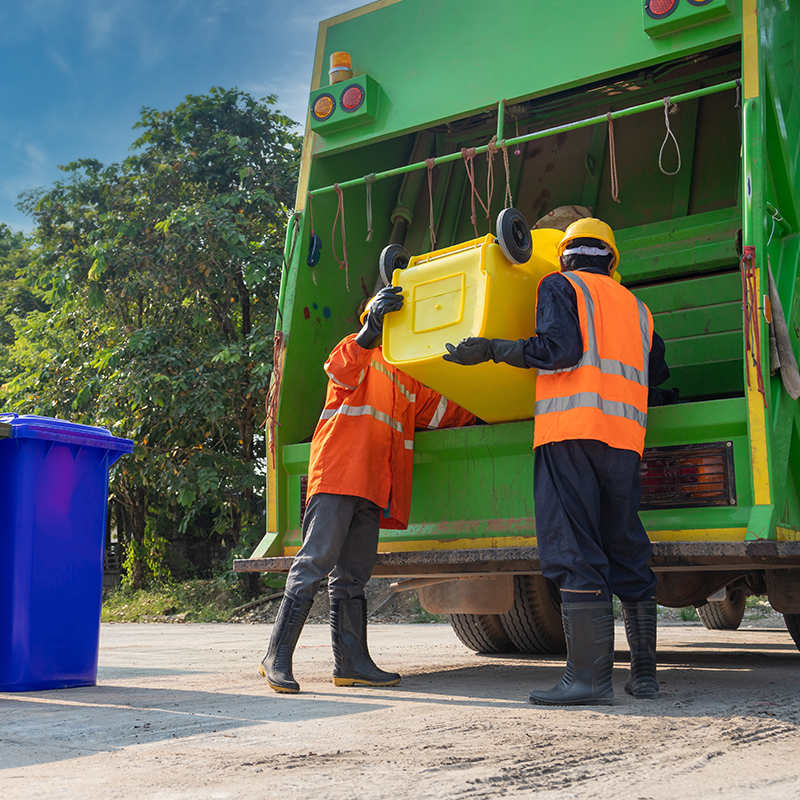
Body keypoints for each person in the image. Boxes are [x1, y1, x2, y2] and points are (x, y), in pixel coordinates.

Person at [443, 217, 669, 706]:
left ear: (566, 255)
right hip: (624, 440)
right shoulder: (638, 308)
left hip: (569, 434)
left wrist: (493, 349)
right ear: (612, 260)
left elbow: (559, 350)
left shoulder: (559, 285)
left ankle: (587, 679)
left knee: (575, 551)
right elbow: (657, 370)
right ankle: (645, 674)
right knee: (626, 546)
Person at [261, 284, 477, 693]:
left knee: (353, 575)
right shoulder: (356, 352)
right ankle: (276, 657)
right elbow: (340, 367)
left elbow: (446, 410)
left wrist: (485, 397)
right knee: (315, 561)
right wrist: (367, 331)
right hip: (340, 475)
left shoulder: (407, 377)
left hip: (373, 485)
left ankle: (352, 665)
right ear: (373, 319)